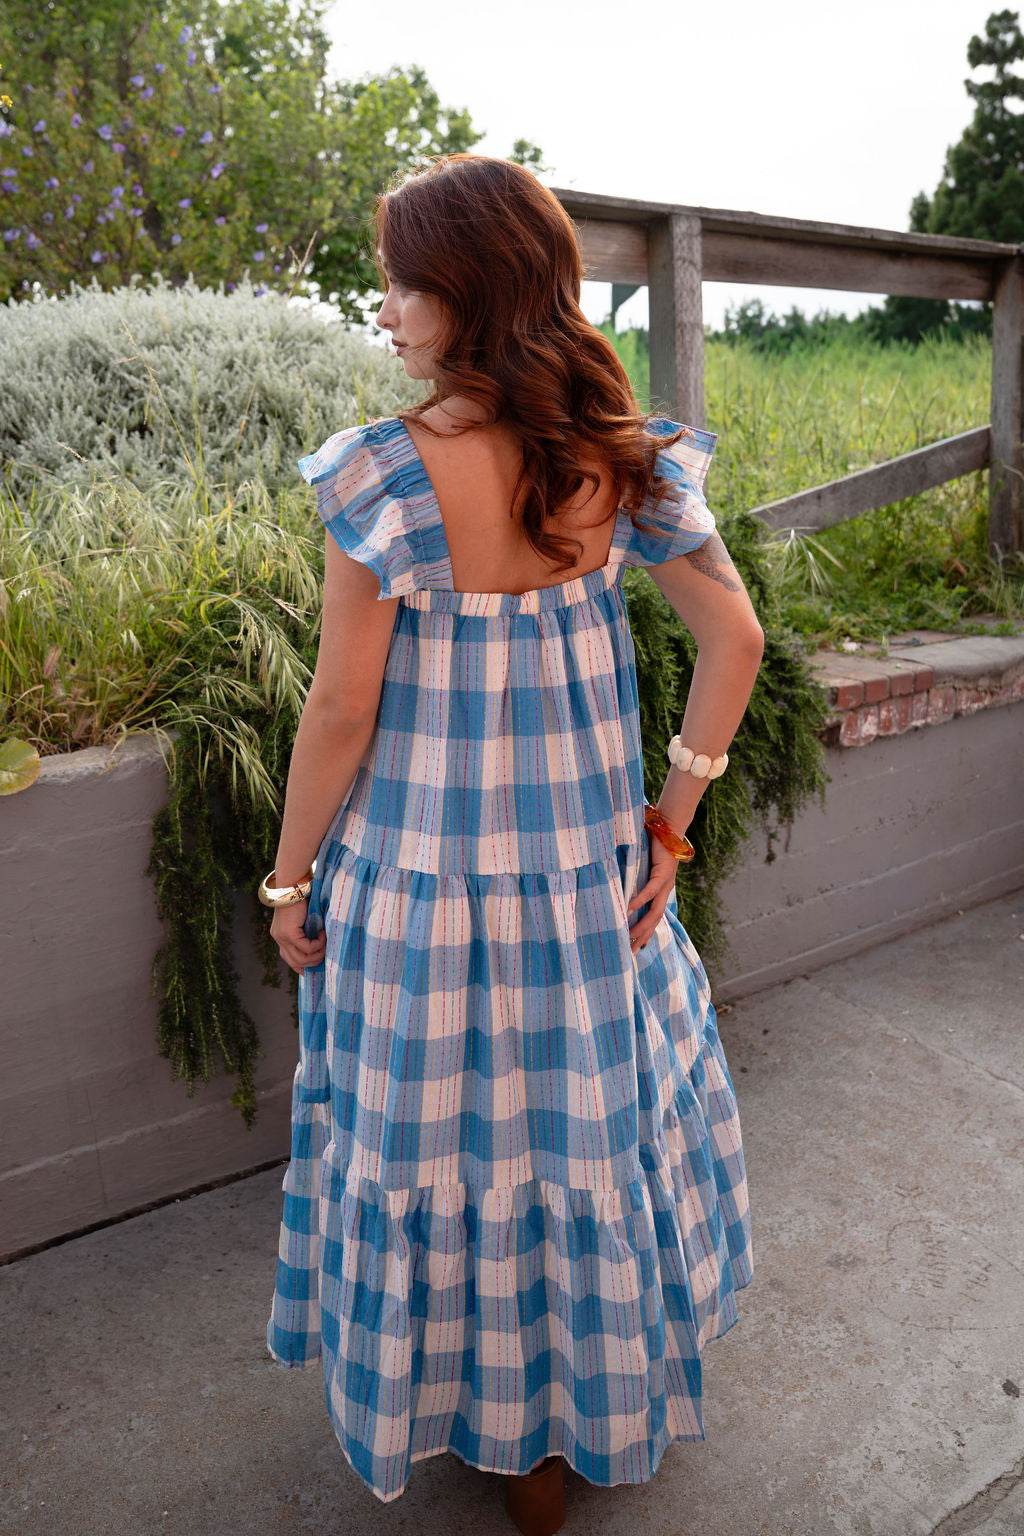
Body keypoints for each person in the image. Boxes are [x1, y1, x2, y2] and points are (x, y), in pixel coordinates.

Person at [263, 153, 762, 1535]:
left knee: (440, 1151)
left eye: (402, 285)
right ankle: (555, 1448)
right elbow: (735, 640)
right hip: (585, 890)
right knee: (572, 1145)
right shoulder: (617, 458)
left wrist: (290, 878)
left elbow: (341, 709)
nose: (384, 312)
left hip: (421, 894)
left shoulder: (384, 475)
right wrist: (672, 822)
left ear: (468, 293)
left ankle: (470, 1416)